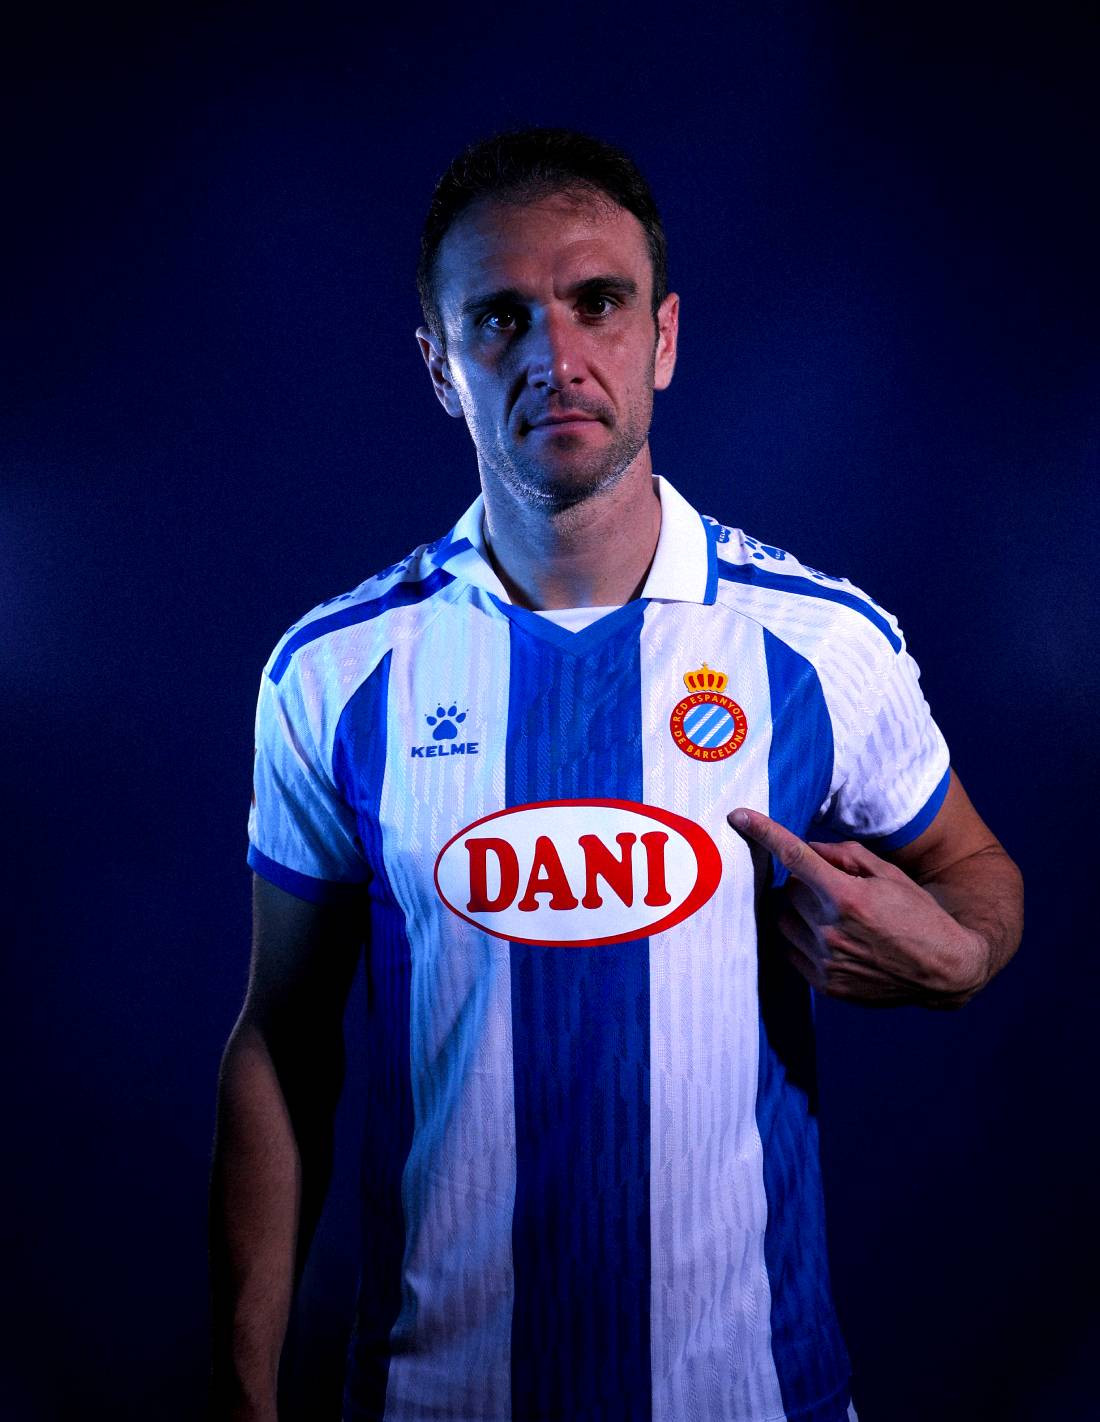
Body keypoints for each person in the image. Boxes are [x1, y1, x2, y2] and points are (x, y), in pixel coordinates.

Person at [209, 128, 1024, 1422]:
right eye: (500, 318)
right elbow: (282, 1037)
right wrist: (242, 1393)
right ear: (439, 364)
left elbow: (977, 869)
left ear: (664, 337)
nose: (556, 355)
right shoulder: (335, 673)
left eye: (598, 301)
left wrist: (965, 951)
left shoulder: (816, 642)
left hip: (752, 1396)